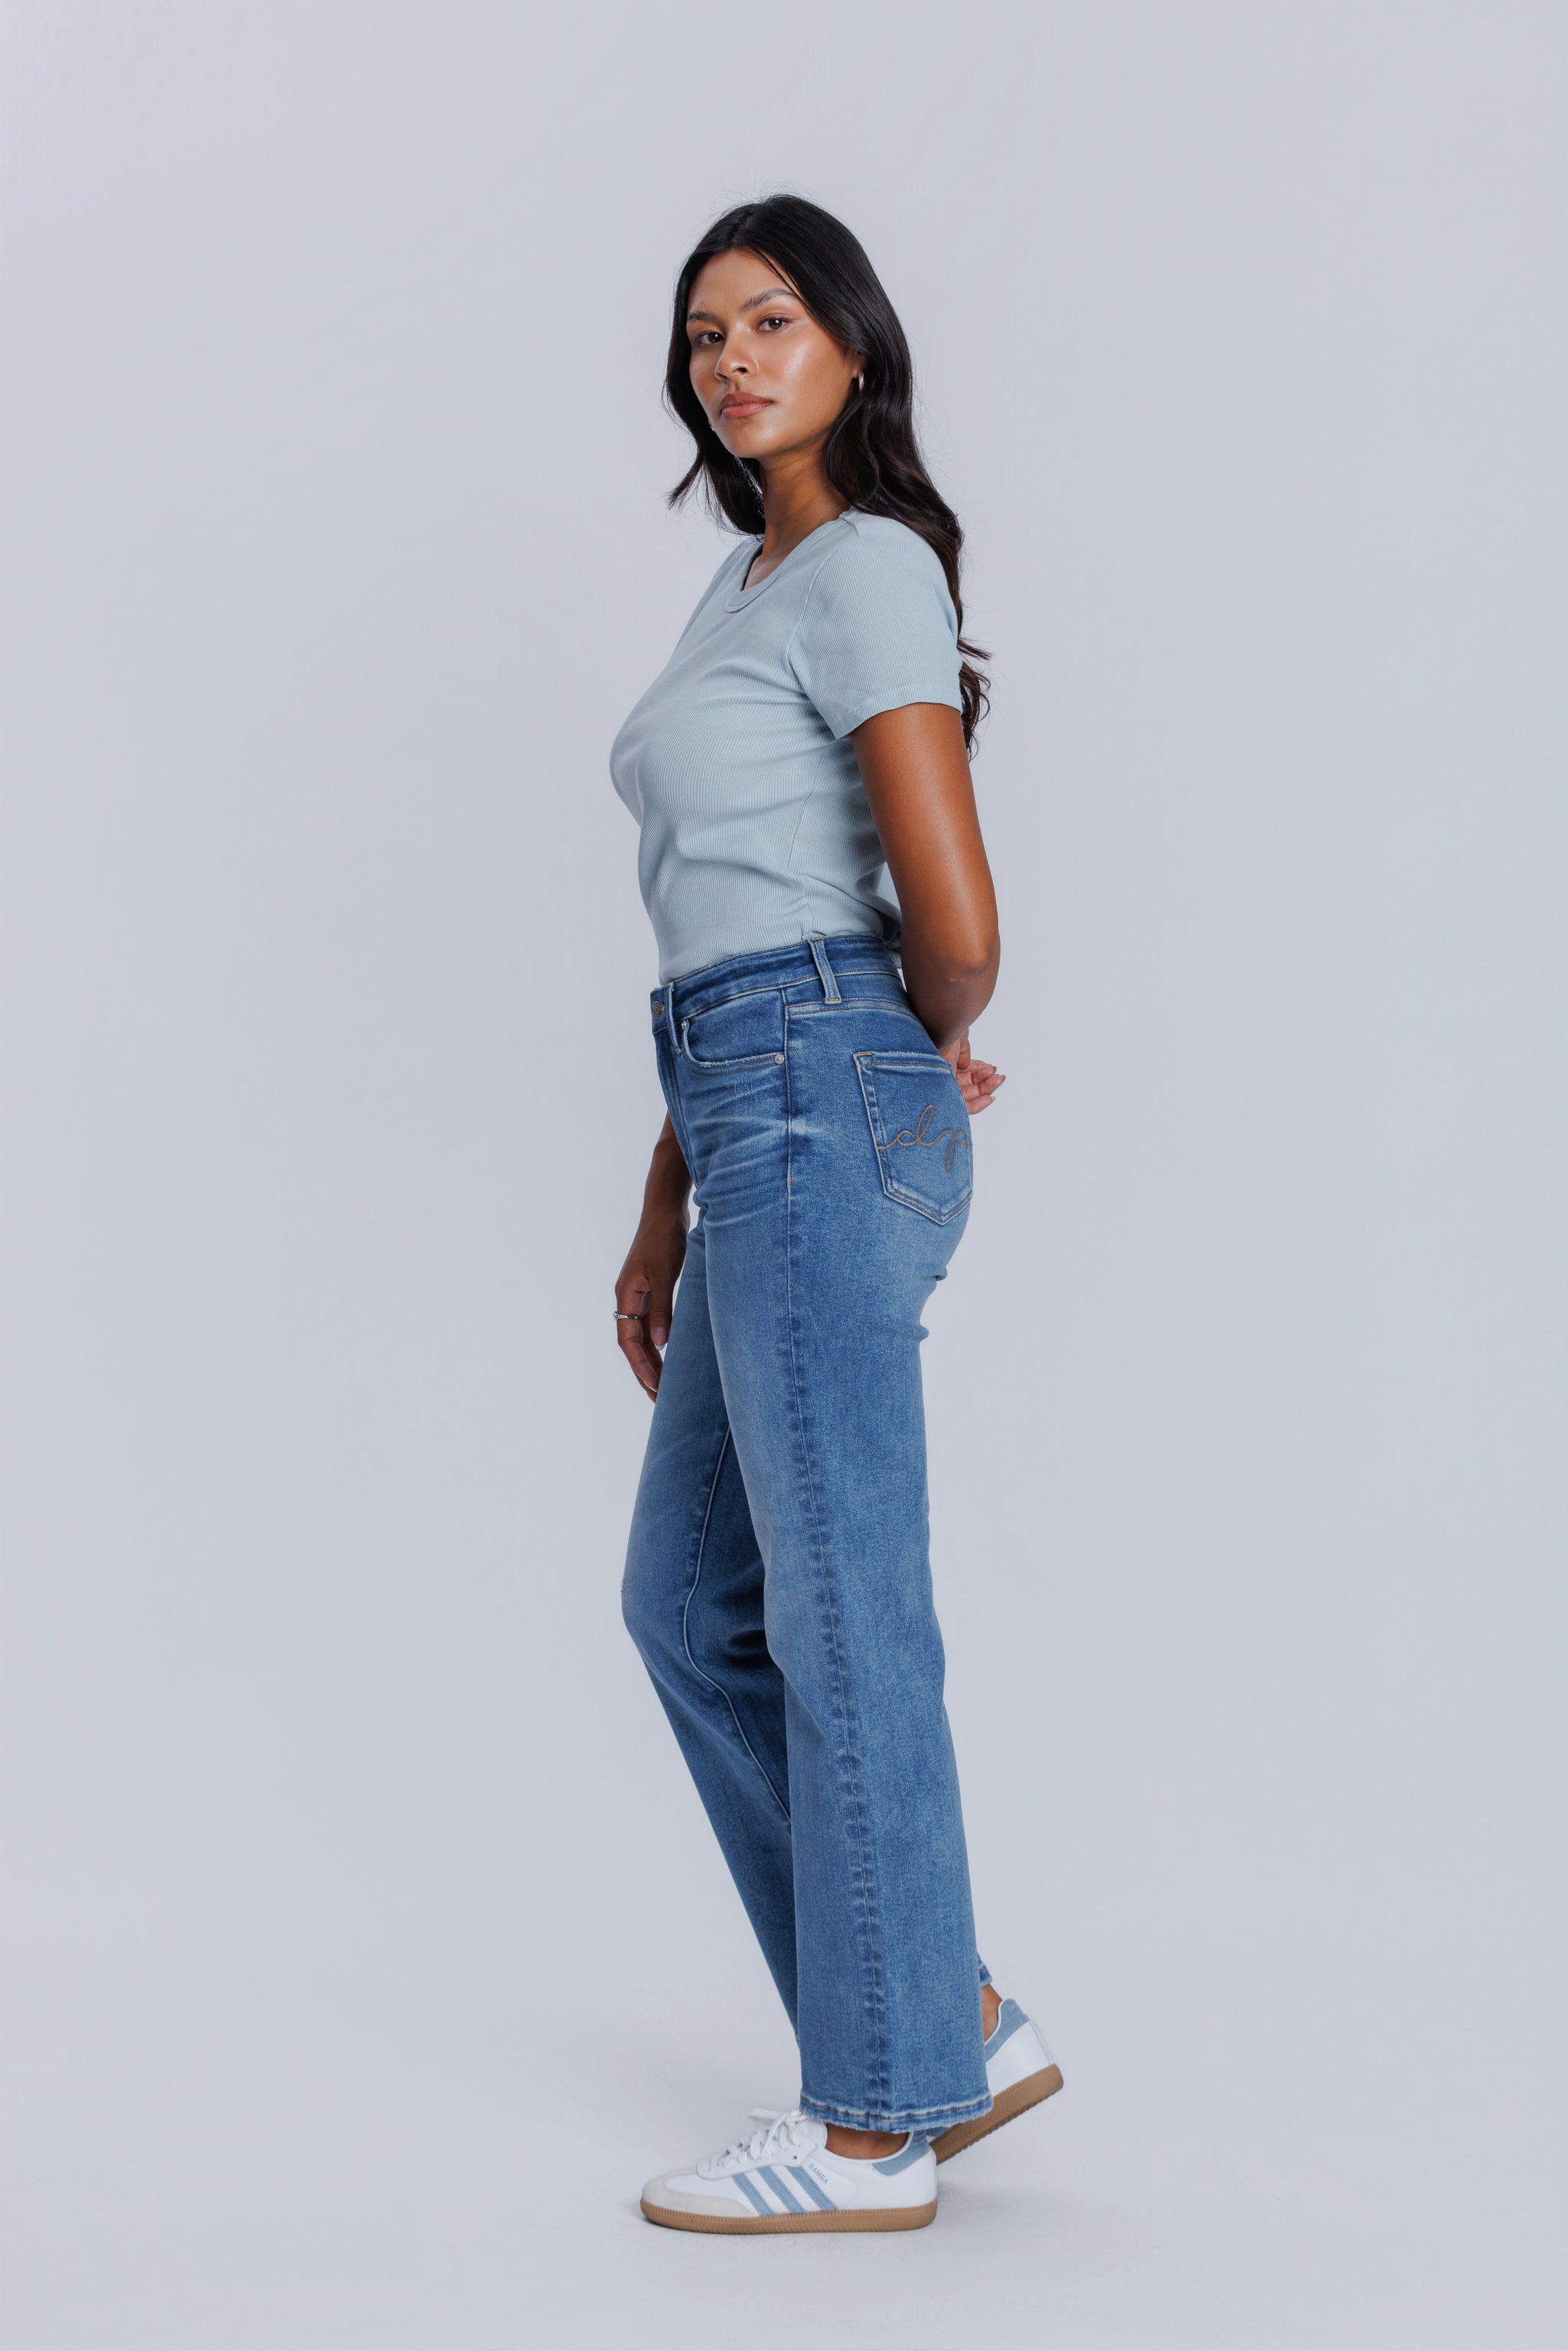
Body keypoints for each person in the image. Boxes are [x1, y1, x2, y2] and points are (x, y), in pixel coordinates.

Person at [612, 194, 1061, 2235]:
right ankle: (943, 2006)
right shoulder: (747, 580)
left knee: (838, 1611)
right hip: (739, 1101)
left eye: (771, 317)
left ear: (852, 347)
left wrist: (898, 1042)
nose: (730, 356)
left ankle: (877, 2124)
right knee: (690, 1608)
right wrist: (661, 1205)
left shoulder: (868, 565)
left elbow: (950, 927)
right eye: (705, 331)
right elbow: (729, 916)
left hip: (811, 1090)